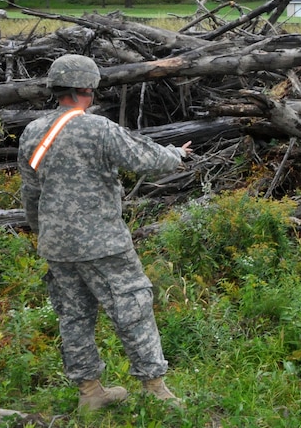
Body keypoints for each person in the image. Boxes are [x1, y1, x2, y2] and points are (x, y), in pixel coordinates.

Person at [18, 54, 192, 411]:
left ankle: (90, 393)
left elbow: (31, 193)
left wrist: (43, 234)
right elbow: (147, 160)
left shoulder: (33, 133)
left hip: (56, 245)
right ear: (88, 88)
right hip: (102, 243)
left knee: (74, 316)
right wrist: (176, 154)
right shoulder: (98, 129)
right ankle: (155, 388)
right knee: (133, 307)